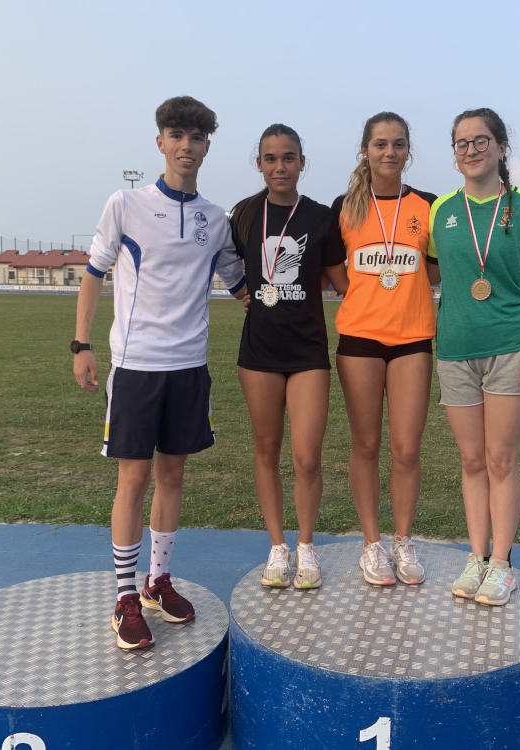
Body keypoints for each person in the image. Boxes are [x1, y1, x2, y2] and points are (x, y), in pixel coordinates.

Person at [72, 95, 246, 650]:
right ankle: (125, 596)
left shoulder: (216, 219)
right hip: (137, 367)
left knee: (173, 476)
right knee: (134, 478)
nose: (186, 147)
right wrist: (81, 344)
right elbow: (94, 273)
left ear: (207, 146)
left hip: (189, 366)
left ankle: (158, 581)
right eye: (177, 136)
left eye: (196, 138)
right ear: (160, 142)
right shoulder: (125, 204)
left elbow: (242, 285)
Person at [429, 107, 520, 606]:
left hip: (511, 347)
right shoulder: (442, 211)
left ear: (501, 147)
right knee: (471, 460)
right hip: (455, 350)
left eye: (481, 140)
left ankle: (502, 563)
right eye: (461, 143)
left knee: (500, 459)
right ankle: (476, 556)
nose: (471, 150)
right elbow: (431, 272)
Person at [229, 124, 348, 590]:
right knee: (266, 448)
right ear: (259, 163)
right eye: (271, 158)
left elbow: (338, 280)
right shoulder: (243, 214)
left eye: (289, 158)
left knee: (307, 457)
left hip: (307, 351)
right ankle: (277, 547)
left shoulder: (320, 217)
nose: (280, 167)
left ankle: (306, 545)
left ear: (302, 162)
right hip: (259, 351)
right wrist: (242, 291)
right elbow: (222, 261)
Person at [330, 112, 439, 586]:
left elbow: (436, 269)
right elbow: (335, 272)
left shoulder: (428, 205)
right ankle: (371, 544)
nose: (389, 152)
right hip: (360, 338)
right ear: (365, 150)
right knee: (366, 444)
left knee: (407, 448)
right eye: (380, 144)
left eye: (398, 144)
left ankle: (403, 539)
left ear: (408, 150)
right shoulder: (345, 206)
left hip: (412, 338)